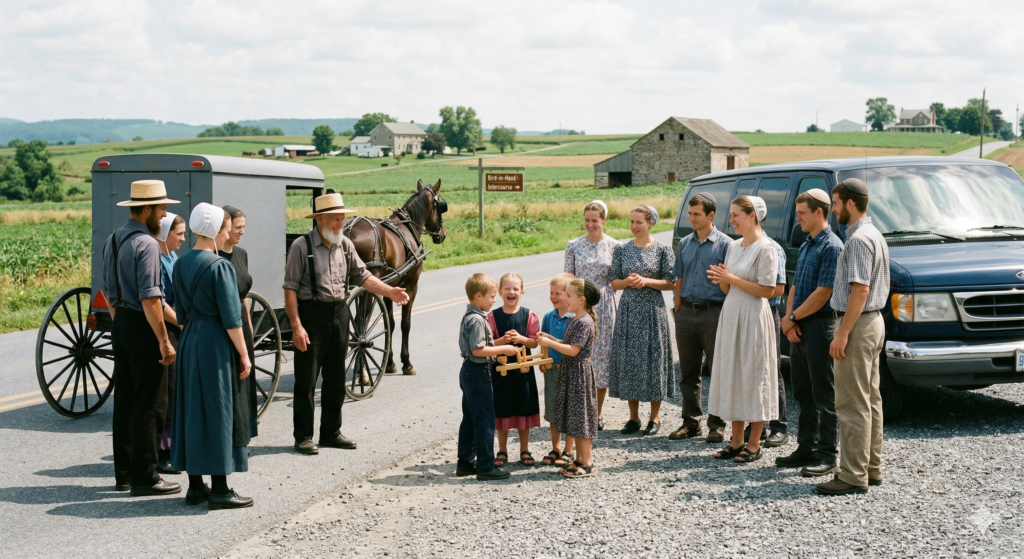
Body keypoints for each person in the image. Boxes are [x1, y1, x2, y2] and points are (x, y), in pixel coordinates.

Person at [284, 192, 410, 455]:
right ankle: (303, 436)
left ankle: (331, 432)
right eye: (334, 220)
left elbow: (362, 276)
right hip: (311, 315)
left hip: (340, 314)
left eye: (341, 219)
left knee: (336, 377)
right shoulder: (301, 246)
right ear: (319, 220)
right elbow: (290, 289)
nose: (339, 224)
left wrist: (390, 292)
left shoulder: (345, 245)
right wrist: (297, 326)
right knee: (306, 380)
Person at [170, 203, 254, 510]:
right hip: (215, 342)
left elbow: (180, 314)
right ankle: (220, 489)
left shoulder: (180, 263)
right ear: (216, 231)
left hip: (190, 338)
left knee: (192, 409)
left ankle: (195, 487)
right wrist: (244, 355)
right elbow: (232, 319)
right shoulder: (220, 266)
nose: (229, 233)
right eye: (226, 228)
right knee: (219, 409)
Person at [101, 179, 180, 497]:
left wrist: (122, 324)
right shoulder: (147, 244)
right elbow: (151, 299)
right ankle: (147, 476)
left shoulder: (114, 240)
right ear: (146, 209)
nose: (163, 216)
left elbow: (107, 290)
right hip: (144, 325)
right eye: (161, 210)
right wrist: (163, 339)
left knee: (125, 403)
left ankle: (125, 475)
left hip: (121, 325)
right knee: (151, 404)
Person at [816, 178, 890, 496]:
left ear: (850, 203)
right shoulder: (874, 233)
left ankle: (852, 475)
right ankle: (870, 468)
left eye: (835, 204)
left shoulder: (858, 239)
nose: (832, 211)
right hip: (873, 322)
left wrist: (842, 334)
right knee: (871, 400)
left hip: (857, 325)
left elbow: (860, 290)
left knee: (851, 403)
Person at [706, 196, 779, 464]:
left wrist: (732, 279)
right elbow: (728, 287)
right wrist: (722, 279)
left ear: (753, 216)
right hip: (732, 310)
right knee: (734, 372)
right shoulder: (734, 246)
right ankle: (735, 441)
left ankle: (754, 442)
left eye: (736, 215)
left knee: (754, 373)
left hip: (754, 314)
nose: (731, 220)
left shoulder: (766, 248)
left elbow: (768, 290)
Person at [777, 188, 844, 477]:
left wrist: (792, 317)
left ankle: (827, 454)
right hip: (801, 326)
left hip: (819, 327)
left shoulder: (833, 247)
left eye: (802, 214)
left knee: (824, 395)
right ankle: (806, 447)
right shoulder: (806, 245)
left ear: (819, 212)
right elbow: (794, 286)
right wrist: (790, 321)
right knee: (803, 393)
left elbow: (823, 293)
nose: (798, 219)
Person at [607, 205, 676, 437]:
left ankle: (654, 417)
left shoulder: (663, 250)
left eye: (639, 222)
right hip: (629, 308)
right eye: (632, 222)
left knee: (653, 358)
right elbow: (614, 283)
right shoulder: (622, 249)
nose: (634, 226)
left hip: (652, 309)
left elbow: (671, 282)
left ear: (650, 223)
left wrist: (646, 281)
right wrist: (628, 281)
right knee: (630, 359)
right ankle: (633, 417)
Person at [669, 193, 731, 444]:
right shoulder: (684, 243)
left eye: (696, 214)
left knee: (717, 371)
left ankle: (717, 424)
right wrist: (678, 307)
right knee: (688, 371)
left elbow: (729, 281)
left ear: (711, 215)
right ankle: (691, 423)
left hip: (714, 312)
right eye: (690, 214)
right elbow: (679, 278)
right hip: (686, 313)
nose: (691, 218)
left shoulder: (726, 245)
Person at [456, 273, 516, 481]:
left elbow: (480, 347)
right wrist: (504, 349)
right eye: (492, 296)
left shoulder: (470, 316)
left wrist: (499, 342)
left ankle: (465, 462)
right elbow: (479, 351)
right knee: (485, 420)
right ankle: (485, 465)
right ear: (479, 295)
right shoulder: (479, 320)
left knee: (470, 419)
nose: (494, 300)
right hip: (478, 372)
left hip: (468, 371)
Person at [564, 200, 618, 430]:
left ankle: (597, 412)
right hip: (579, 304)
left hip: (604, 305)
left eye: (595, 220)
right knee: (581, 357)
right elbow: (567, 278)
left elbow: (616, 280)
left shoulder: (615, 246)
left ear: (604, 220)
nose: (590, 224)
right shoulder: (574, 245)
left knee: (601, 359)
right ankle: (580, 408)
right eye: (587, 220)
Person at [539, 278, 601, 478]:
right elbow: (567, 343)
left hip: (579, 377)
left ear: (581, 300)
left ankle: (588, 462)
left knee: (582, 420)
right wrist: (551, 339)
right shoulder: (575, 319)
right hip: (571, 374)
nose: (564, 298)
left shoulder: (584, 322)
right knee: (575, 419)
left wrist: (553, 344)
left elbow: (573, 350)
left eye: (568, 295)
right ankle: (579, 459)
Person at [488, 272, 541, 467]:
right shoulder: (492, 316)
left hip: (523, 372)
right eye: (507, 289)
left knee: (523, 408)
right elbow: (487, 343)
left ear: (522, 292)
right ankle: (502, 450)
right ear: (500, 292)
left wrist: (521, 339)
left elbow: (534, 342)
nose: (511, 292)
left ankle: (524, 449)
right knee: (502, 409)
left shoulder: (529, 315)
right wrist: (502, 341)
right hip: (500, 371)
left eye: (515, 289)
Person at [219, 205, 258, 439]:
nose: (242, 231)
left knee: (245, 379)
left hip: (242, 322)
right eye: (238, 227)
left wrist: (250, 329)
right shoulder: (214, 257)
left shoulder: (241, 254)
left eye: (244, 227)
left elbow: (244, 297)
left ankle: (243, 431)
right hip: (224, 325)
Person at [155, 212, 186, 476]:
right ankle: (163, 452)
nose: (182, 239)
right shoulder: (159, 259)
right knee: (170, 388)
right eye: (179, 234)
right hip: (170, 325)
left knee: (177, 389)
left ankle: (173, 446)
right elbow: (160, 302)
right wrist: (181, 323)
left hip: (178, 321)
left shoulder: (173, 257)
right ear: (166, 234)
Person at [539, 273, 576, 467]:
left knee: (568, 408)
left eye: (558, 293)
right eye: (551, 292)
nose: (553, 297)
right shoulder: (548, 316)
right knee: (553, 408)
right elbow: (543, 340)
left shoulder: (574, 317)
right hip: (552, 367)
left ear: (569, 295)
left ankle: (569, 449)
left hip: (569, 368)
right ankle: (556, 447)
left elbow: (575, 346)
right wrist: (543, 360)